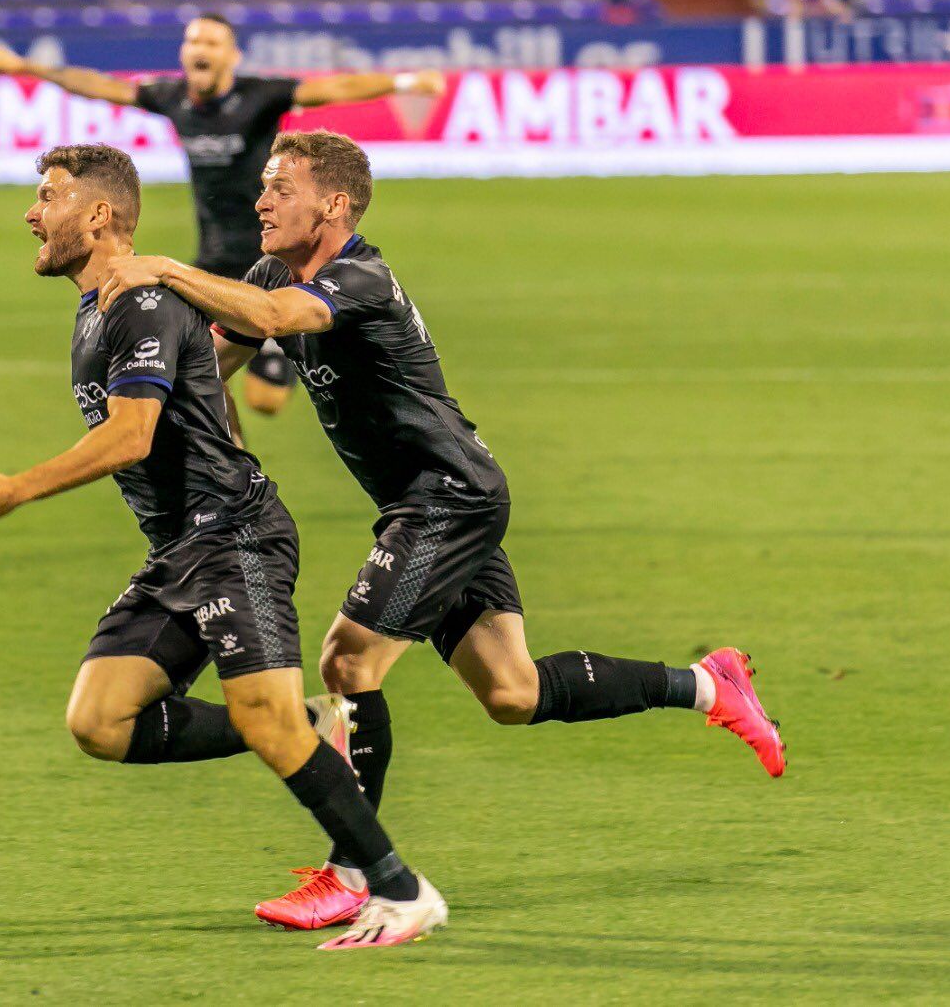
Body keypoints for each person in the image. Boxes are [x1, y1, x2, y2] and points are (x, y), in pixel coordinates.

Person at [99, 131, 787, 932]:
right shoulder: (271, 271)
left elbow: (277, 316)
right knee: (511, 692)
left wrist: (168, 268)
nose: (260, 201)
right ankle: (710, 683)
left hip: (447, 499)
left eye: (279, 187)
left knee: (347, 660)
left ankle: (354, 873)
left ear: (334, 203)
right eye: (262, 186)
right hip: (432, 501)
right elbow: (213, 364)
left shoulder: (359, 275)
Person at [0, 142, 446, 950]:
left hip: (233, 537)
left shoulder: (141, 304)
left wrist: (16, 489)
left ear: (99, 214)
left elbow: (133, 436)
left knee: (262, 718)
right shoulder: (97, 307)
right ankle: (312, 727)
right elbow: (204, 388)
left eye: (48, 197)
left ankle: (401, 890)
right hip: (178, 547)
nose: (32, 213)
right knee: (100, 721)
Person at [0, 13, 444, 424]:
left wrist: (405, 83)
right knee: (200, 367)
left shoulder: (259, 96)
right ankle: (233, 462)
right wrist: (29, 69)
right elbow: (104, 87)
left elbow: (333, 90)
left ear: (231, 55)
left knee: (264, 399)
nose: (199, 51)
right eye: (193, 42)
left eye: (211, 43)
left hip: (272, 264)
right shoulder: (174, 99)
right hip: (214, 260)